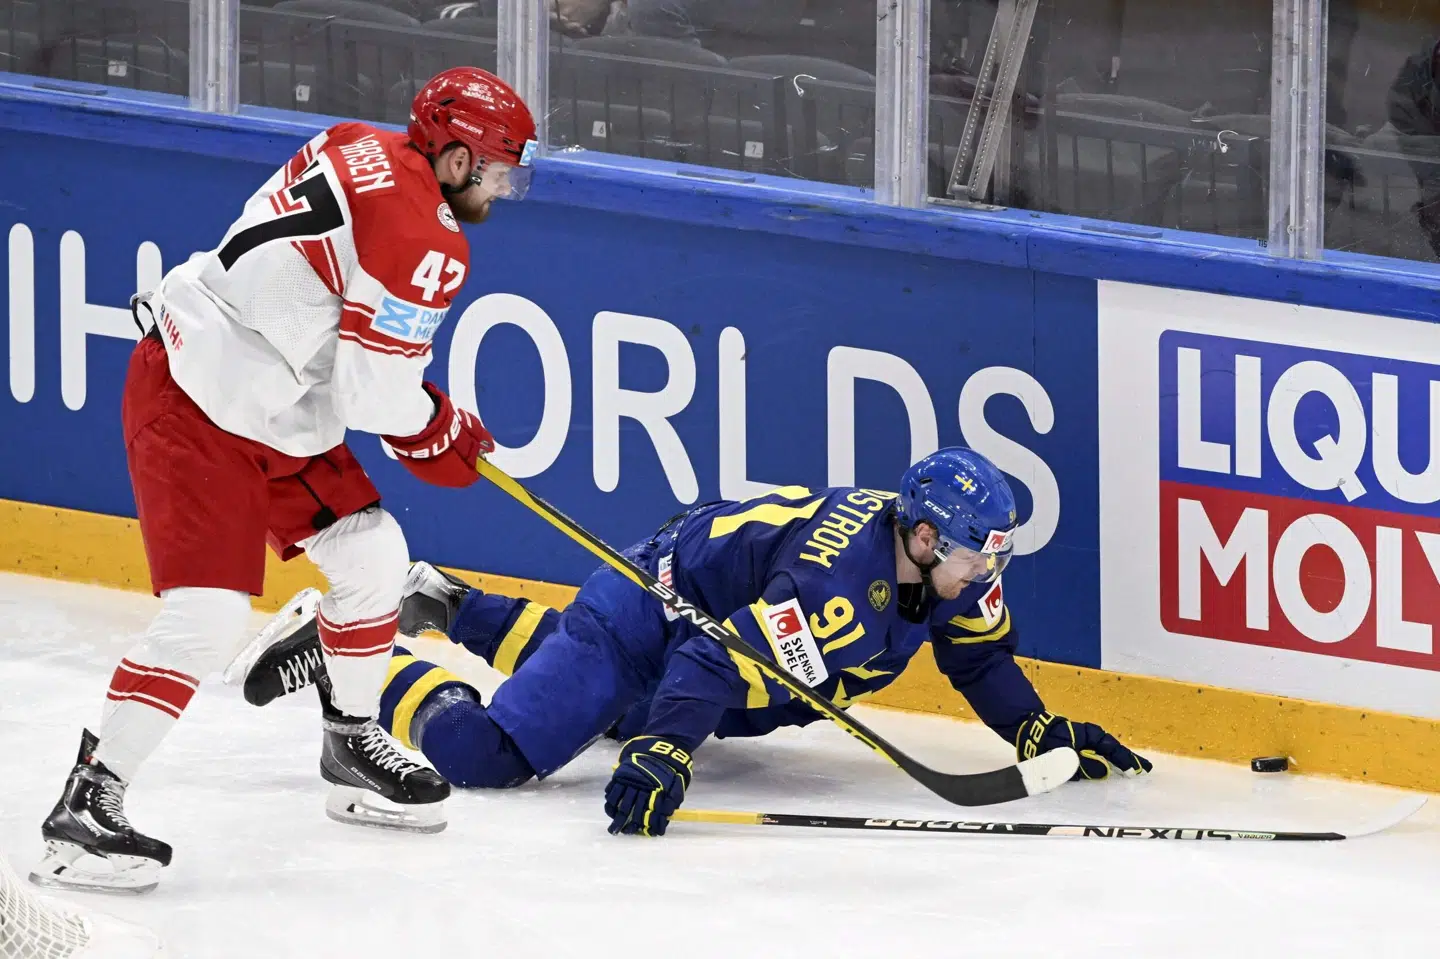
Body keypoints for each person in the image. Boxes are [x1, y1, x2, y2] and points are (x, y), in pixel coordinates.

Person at [31, 67, 537, 895]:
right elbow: (375, 395)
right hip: (196, 397)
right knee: (208, 616)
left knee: (374, 556)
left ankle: (349, 742)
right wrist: (437, 428)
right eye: (496, 168)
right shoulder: (430, 238)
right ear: (452, 157)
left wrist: (425, 408)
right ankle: (88, 803)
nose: (504, 187)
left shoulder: (360, 143)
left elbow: (346, 341)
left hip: (267, 393)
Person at [235, 448, 1151, 837]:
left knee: (603, 698)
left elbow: (981, 658)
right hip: (651, 614)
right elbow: (715, 660)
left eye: (993, 556)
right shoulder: (841, 587)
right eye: (968, 553)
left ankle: (439, 599)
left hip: (694, 629)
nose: (983, 574)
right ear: (919, 535)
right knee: (491, 754)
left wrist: (1036, 730)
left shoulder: (947, 578)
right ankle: (357, 643)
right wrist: (668, 748)